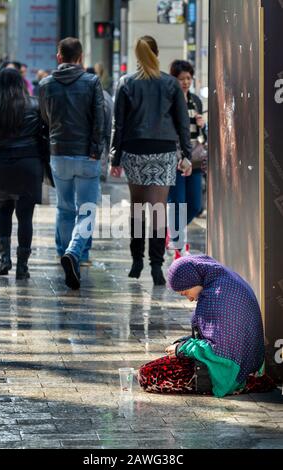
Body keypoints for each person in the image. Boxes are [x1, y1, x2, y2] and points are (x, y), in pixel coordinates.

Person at [110, 36, 192, 286]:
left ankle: (137, 261)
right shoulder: (170, 84)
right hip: (163, 149)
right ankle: (157, 266)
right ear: (156, 53)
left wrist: (115, 156)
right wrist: (186, 154)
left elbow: (119, 124)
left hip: (135, 148)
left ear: (138, 55)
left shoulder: (126, 83)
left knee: (137, 207)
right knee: (158, 209)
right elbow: (182, 123)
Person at [138, 255, 275, 397]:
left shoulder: (217, 296)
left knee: (147, 375)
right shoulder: (223, 282)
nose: (190, 299)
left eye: (185, 293)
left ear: (192, 280)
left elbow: (218, 350)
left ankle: (245, 385)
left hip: (229, 373)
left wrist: (182, 348)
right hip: (246, 366)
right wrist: (184, 344)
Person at [39, 37, 104, 290]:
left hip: (59, 153)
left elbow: (45, 118)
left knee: (64, 208)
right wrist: (96, 150)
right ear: (80, 57)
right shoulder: (92, 82)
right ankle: (76, 252)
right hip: (87, 155)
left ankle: (65, 253)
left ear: (59, 57)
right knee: (86, 210)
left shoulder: (45, 84)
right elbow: (98, 119)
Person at [0, 68, 45, 279]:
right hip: (29, 164)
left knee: (3, 210)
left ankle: (4, 259)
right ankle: (22, 266)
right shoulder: (35, 105)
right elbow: (43, 134)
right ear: (22, 83)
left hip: (1, 166)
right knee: (25, 215)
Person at [168, 60, 207, 258]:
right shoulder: (169, 100)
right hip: (175, 159)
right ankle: (178, 246)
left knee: (195, 204)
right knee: (178, 203)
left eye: (188, 78)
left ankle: (173, 233)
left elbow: (203, 137)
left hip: (195, 158)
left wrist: (202, 125)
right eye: (181, 78)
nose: (185, 82)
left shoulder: (196, 101)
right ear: (174, 79)